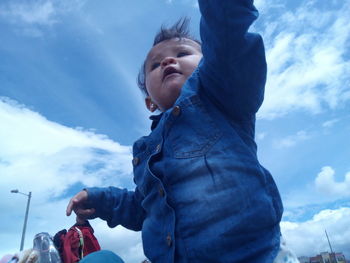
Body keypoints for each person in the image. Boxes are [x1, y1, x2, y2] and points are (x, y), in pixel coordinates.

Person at [66, 1, 293, 262]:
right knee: (100, 259)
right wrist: (100, 199)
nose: (168, 61)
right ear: (149, 101)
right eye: (154, 65)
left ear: (209, 64)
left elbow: (227, 39)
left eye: (183, 53)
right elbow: (144, 208)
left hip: (251, 255)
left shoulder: (223, 97)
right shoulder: (144, 150)